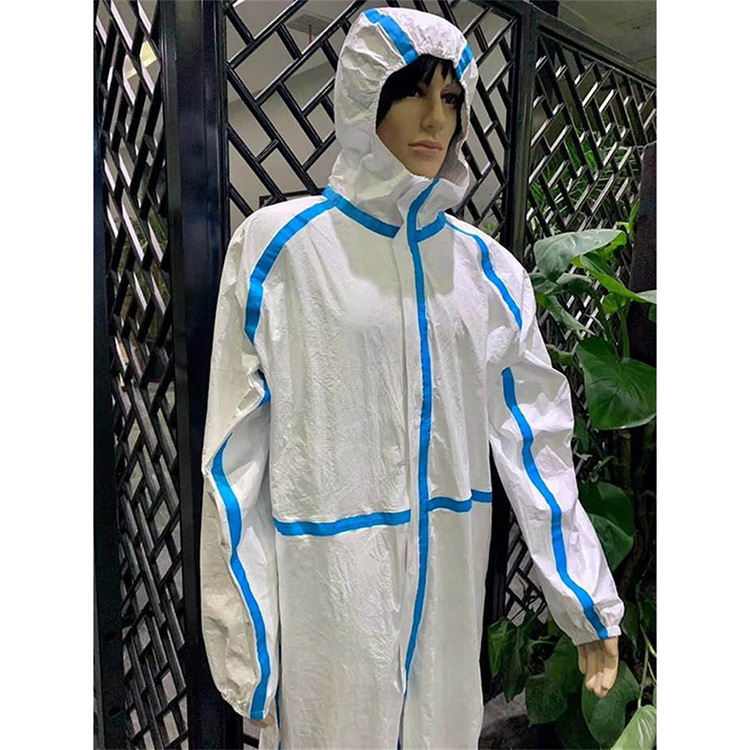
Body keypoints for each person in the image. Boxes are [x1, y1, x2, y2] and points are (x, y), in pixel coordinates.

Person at [199, 7, 623, 749]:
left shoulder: (487, 272)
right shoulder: (281, 250)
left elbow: (536, 441)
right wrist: (251, 656)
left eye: (451, 99)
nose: (436, 119)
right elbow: (234, 463)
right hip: (329, 602)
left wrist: (584, 598)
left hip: (447, 600)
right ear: (366, 100)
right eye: (412, 93)